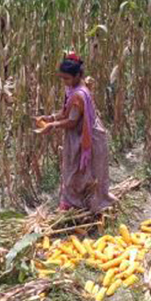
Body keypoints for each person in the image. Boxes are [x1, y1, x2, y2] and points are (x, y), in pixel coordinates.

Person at [36, 53, 115, 212]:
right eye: (62, 78)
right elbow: (66, 112)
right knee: (75, 171)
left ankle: (84, 203)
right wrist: (50, 117)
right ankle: (77, 202)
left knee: (82, 171)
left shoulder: (79, 95)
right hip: (78, 134)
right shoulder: (72, 89)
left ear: (78, 75)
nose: (64, 82)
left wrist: (52, 125)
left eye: (67, 78)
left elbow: (72, 121)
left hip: (87, 136)